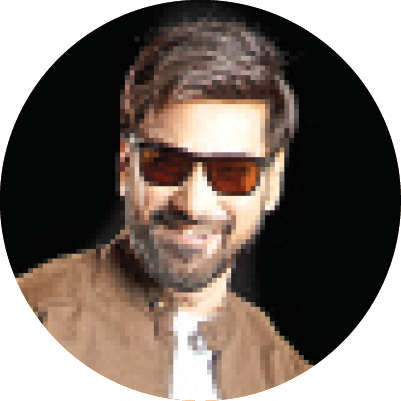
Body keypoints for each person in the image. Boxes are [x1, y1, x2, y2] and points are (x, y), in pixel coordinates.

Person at [17, 18, 310, 399]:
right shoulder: (32, 321)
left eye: (232, 171)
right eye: (166, 164)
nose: (193, 204)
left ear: (272, 185)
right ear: (126, 166)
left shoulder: (287, 373)